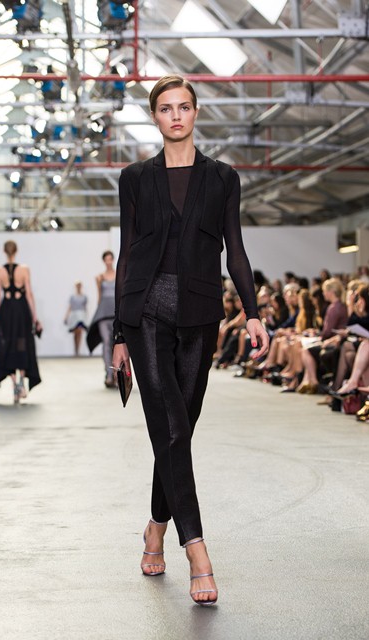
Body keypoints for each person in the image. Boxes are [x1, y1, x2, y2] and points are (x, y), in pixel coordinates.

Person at [112, 75, 269, 606]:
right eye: (165, 108)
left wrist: (252, 312)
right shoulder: (135, 178)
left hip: (201, 314)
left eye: (183, 107)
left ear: (196, 112)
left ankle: (155, 526)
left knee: (179, 431)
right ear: (155, 116)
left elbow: (235, 249)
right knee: (173, 428)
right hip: (146, 314)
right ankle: (197, 549)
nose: (175, 116)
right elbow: (127, 253)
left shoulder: (223, 178)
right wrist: (119, 332)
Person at [0, 240, 41, 403]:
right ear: (16, 251)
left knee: (8, 345)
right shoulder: (24, 269)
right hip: (21, 311)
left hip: (6, 311)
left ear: (4, 251)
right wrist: (35, 316)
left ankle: (15, 385)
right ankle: (21, 383)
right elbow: (29, 294)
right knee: (22, 344)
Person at [86, 251, 116, 387]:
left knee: (117, 344)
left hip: (116, 313)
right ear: (104, 261)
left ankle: (117, 375)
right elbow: (99, 297)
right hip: (103, 314)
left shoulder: (119, 274)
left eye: (110, 259)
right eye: (106, 259)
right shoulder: (99, 277)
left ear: (113, 260)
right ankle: (109, 375)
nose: (108, 261)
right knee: (106, 342)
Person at [64, 281, 88, 356]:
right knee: (75, 333)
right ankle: (76, 349)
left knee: (80, 332)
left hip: (81, 316)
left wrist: (86, 318)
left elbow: (85, 308)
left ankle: (78, 350)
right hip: (74, 316)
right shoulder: (73, 297)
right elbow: (70, 307)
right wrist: (66, 317)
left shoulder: (84, 297)